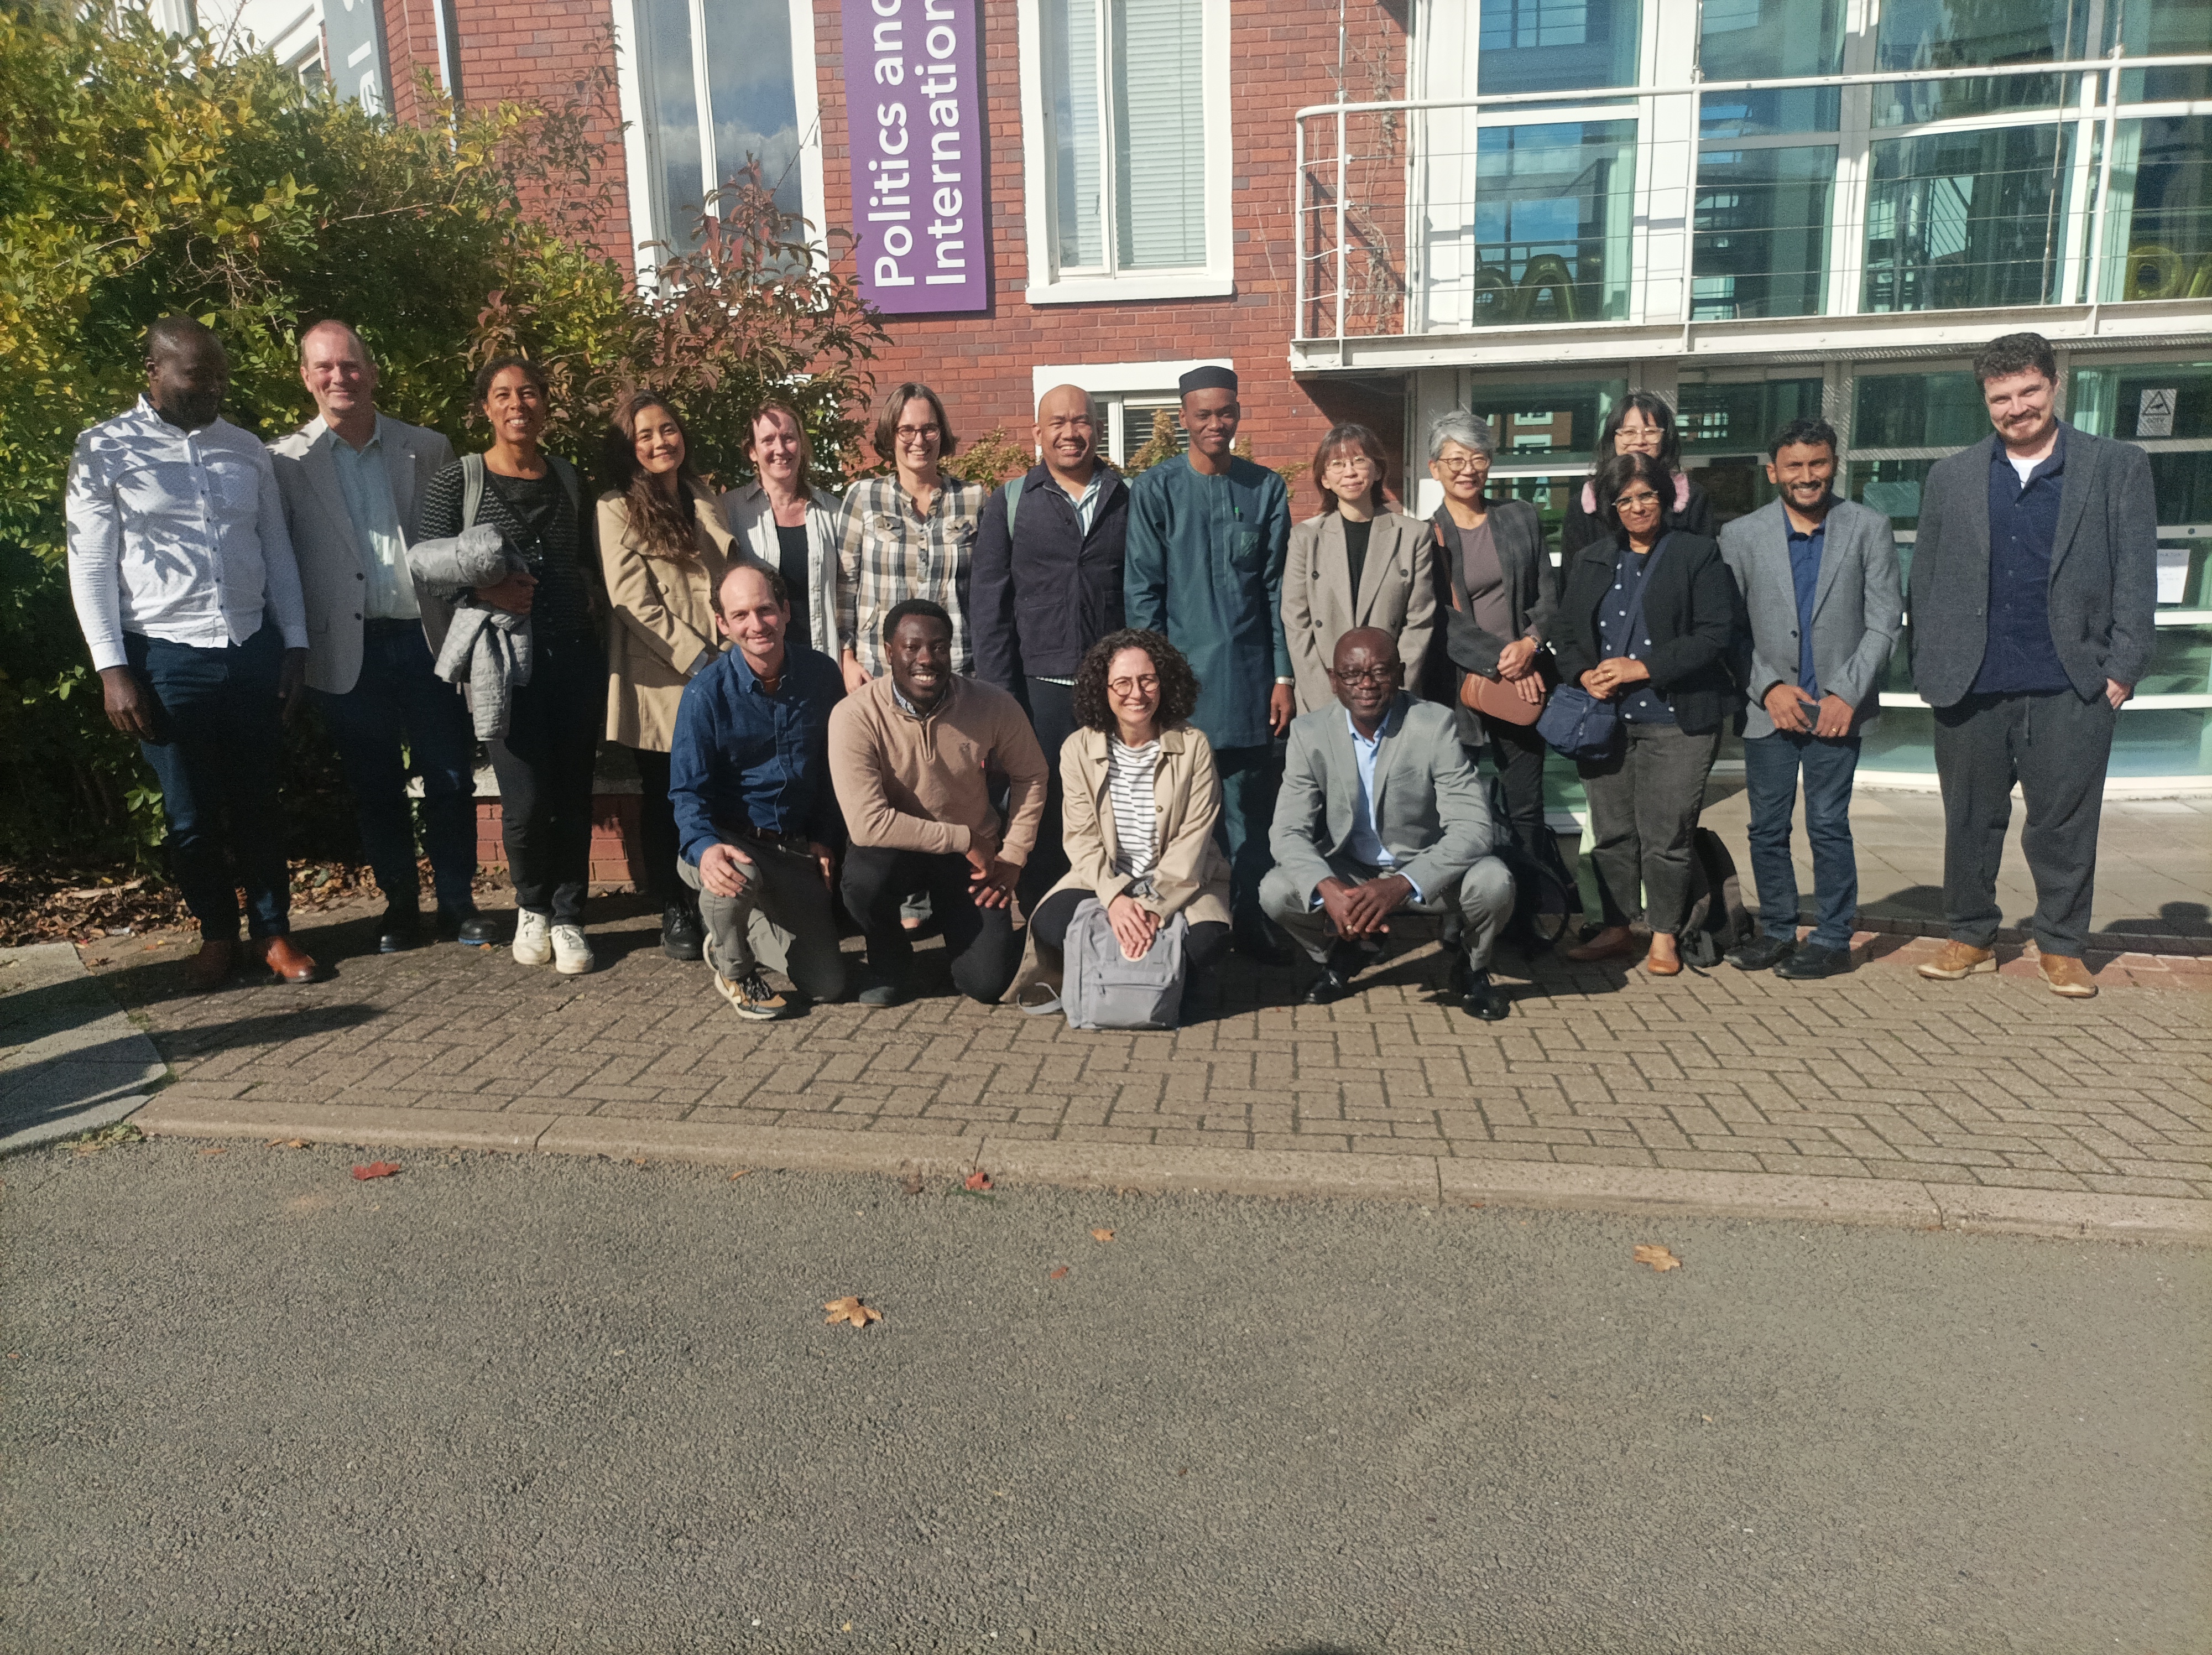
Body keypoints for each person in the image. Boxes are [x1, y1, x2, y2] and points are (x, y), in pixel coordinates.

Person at [65, 316, 317, 988]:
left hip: (249, 650)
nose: (212, 388)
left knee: (260, 801)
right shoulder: (104, 450)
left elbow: (275, 551)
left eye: (219, 377)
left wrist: (294, 643)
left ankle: (273, 933)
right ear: (153, 371)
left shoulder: (245, 449)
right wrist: (111, 667)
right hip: (165, 659)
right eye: (196, 376)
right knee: (191, 813)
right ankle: (215, 935)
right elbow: (89, 566)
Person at [1909, 331, 2157, 1000]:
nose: (2016, 408)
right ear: (1984, 400)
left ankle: (2061, 945)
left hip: (2071, 684)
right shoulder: (1952, 476)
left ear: (2053, 386)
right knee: (1969, 820)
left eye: (2028, 392)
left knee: (2064, 826)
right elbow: (1925, 579)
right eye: (2001, 397)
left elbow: (2136, 575)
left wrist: (2122, 668)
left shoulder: (2115, 466)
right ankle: (1970, 935)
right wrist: (1930, 667)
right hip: (1972, 684)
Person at [269, 320, 492, 955]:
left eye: (350, 364)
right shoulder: (285, 462)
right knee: (374, 787)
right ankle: (399, 907)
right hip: (347, 649)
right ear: (306, 377)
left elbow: (459, 544)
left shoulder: (427, 447)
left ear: (371, 369)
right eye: (324, 367)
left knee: (450, 777)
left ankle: (458, 903)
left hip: (428, 639)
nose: (339, 377)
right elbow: (281, 561)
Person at [418, 357, 604, 976]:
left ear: (545, 403)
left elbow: (587, 566)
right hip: (503, 665)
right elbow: (424, 564)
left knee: (574, 793)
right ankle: (533, 907)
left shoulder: (568, 479)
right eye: (502, 394)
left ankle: (570, 914)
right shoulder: (460, 481)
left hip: (573, 660)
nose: (517, 403)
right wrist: (484, 595)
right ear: (486, 408)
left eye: (528, 392)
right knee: (524, 800)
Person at [1719, 417, 1903, 981]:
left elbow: (1884, 622)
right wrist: (1768, 687)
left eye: (1817, 463)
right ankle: (1776, 929)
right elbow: (1727, 628)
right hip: (1767, 708)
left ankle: (1830, 936)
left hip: (1835, 710)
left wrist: (1847, 693)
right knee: (1766, 827)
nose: (1807, 476)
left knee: (1827, 823)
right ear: (1773, 471)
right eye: (1794, 466)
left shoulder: (1867, 527)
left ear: (1833, 464)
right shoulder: (1740, 535)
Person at [1124, 365, 1296, 962]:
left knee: (1251, 813)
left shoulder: (1265, 489)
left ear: (1238, 414)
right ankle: (1191, 927)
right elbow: (1143, 595)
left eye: (1225, 412)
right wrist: (1154, 686)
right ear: (1183, 418)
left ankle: (1249, 924)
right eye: (1203, 414)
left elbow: (1278, 591)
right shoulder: (1156, 490)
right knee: (1182, 817)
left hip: (1252, 683)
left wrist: (1282, 675)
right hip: (1182, 687)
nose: (1215, 424)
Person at [1261, 628, 1516, 1020]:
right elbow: (1287, 831)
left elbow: (1473, 827)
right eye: (1351, 674)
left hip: (1427, 871)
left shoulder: (1434, 725)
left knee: (1494, 881)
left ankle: (1472, 966)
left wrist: (1402, 884)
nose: (1365, 684)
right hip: (1353, 874)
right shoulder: (1309, 734)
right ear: (1334, 680)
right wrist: (1327, 888)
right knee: (1277, 891)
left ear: (1400, 673)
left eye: (1380, 672)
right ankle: (1344, 951)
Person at [1552, 451, 1742, 976]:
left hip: (1676, 719)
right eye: (1625, 499)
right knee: (1612, 832)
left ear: (1665, 497)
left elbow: (1714, 635)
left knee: (1667, 835)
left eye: (1647, 496)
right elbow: (1565, 635)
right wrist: (1581, 675)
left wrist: (1642, 668)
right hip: (1606, 721)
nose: (1637, 507)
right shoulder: (1592, 558)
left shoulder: (1697, 554)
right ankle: (1616, 928)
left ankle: (1664, 934)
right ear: (1611, 507)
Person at [829, 601, 1047, 1006]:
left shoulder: (993, 704)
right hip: (897, 851)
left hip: (969, 863)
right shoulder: (854, 715)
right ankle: (890, 961)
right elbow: (867, 824)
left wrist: (1014, 855)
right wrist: (964, 839)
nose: (927, 659)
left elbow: (1032, 774)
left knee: (985, 984)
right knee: (863, 880)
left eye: (939, 647)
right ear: (889, 652)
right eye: (912, 648)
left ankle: (975, 936)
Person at [1013, 629, 1232, 1019]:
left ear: (1165, 682)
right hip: (1105, 878)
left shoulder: (1194, 744)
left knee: (1206, 940)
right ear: (1103, 688)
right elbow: (1080, 838)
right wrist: (1114, 899)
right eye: (1123, 683)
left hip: (1182, 880)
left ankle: (1166, 977)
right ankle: (1088, 975)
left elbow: (1193, 843)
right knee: (1048, 922)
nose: (1138, 694)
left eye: (1148, 680)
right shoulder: (1077, 748)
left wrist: (1151, 909)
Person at [971, 382, 1129, 909]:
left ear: (1097, 429)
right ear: (1037, 433)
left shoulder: (1126, 498)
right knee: (1043, 805)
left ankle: (1112, 907)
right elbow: (989, 608)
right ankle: (1046, 919)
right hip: (1039, 689)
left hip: (1112, 690)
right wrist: (999, 699)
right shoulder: (1011, 502)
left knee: (1113, 804)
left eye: (1080, 421)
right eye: (1057, 423)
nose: (1070, 432)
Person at [596, 391, 739, 962]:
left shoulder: (704, 496)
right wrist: (698, 657)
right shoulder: (615, 507)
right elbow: (631, 600)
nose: (661, 442)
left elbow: (729, 580)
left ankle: (718, 898)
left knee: (718, 789)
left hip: (723, 667)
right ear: (629, 448)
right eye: (646, 434)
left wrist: (730, 651)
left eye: (669, 429)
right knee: (665, 796)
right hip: (661, 677)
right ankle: (675, 907)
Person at [670, 563, 848, 1020]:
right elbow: (687, 791)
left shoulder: (822, 676)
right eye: (741, 615)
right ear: (723, 624)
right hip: (731, 841)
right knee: (735, 876)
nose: (756, 625)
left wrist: (824, 838)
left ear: (786, 612)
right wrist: (705, 848)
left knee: (828, 985)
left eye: (766, 610)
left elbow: (833, 771)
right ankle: (734, 967)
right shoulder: (705, 694)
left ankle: (735, 926)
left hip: (791, 848)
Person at [1423, 410, 1557, 861]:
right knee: (1457, 810)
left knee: (1526, 807)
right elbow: (1443, 620)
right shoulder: (1427, 536)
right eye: (1455, 459)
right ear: (1434, 468)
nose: (1468, 469)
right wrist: (1506, 660)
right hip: (1460, 689)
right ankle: (1464, 916)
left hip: (1525, 684)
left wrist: (1530, 645)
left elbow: (1547, 595)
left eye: (1478, 458)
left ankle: (1528, 912)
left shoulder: (1520, 517)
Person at [834, 382, 986, 690]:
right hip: (878, 668)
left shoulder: (972, 499)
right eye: (907, 430)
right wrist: (846, 658)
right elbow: (844, 585)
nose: (919, 440)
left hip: (955, 666)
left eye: (929, 429)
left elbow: (987, 589)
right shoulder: (864, 497)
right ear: (891, 435)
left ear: (941, 434)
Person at [1281, 421, 1434, 716]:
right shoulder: (1305, 538)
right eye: (1337, 464)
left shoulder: (1413, 535)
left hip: (1390, 695)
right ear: (1324, 478)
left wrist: (1392, 690)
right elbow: (1296, 623)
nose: (1349, 472)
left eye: (1359, 461)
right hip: (1322, 695)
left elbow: (1419, 622)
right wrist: (1325, 695)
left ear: (1377, 471)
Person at [724, 399, 844, 663]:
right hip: (757, 664)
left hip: (821, 661)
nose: (780, 448)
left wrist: (848, 655)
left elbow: (849, 591)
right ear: (752, 452)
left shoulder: (833, 511)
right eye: (768, 440)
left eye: (788, 438)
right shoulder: (729, 511)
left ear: (801, 445)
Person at [1561, 393, 1713, 557]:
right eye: (1629, 432)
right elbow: (1574, 575)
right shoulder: (1585, 505)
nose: (1640, 441)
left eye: (1651, 432)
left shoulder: (1692, 499)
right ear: (1613, 438)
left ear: (1666, 438)